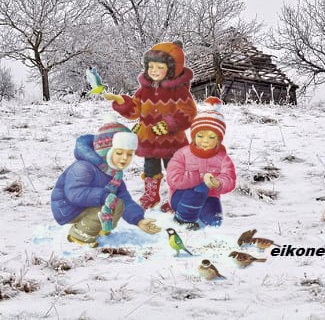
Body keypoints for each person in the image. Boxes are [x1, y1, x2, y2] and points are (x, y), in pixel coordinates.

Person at [103, 41, 197, 211]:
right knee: (150, 168)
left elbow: (188, 113)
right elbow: (135, 111)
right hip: (148, 140)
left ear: (172, 69)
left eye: (159, 67)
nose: (153, 70)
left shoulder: (179, 91)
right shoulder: (143, 91)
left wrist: (169, 124)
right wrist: (121, 101)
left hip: (172, 141)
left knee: (174, 169)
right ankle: (151, 194)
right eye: (150, 66)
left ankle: (177, 197)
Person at [51, 115, 161, 247]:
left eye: (129, 154)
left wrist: (139, 220)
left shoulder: (114, 173)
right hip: (67, 208)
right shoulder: (84, 167)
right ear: (106, 152)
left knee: (119, 203)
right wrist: (104, 196)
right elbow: (74, 194)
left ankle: (100, 228)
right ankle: (79, 234)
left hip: (84, 205)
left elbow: (125, 199)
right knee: (108, 203)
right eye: (119, 153)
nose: (125, 158)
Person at [166, 97, 236, 230]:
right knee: (201, 188)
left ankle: (203, 219)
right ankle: (183, 219)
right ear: (193, 136)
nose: (205, 141)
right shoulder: (183, 154)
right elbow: (173, 179)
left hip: (209, 198)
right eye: (200, 136)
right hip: (181, 197)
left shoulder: (222, 158)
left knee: (214, 221)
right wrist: (200, 177)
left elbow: (230, 178)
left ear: (219, 139)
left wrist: (218, 183)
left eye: (211, 137)